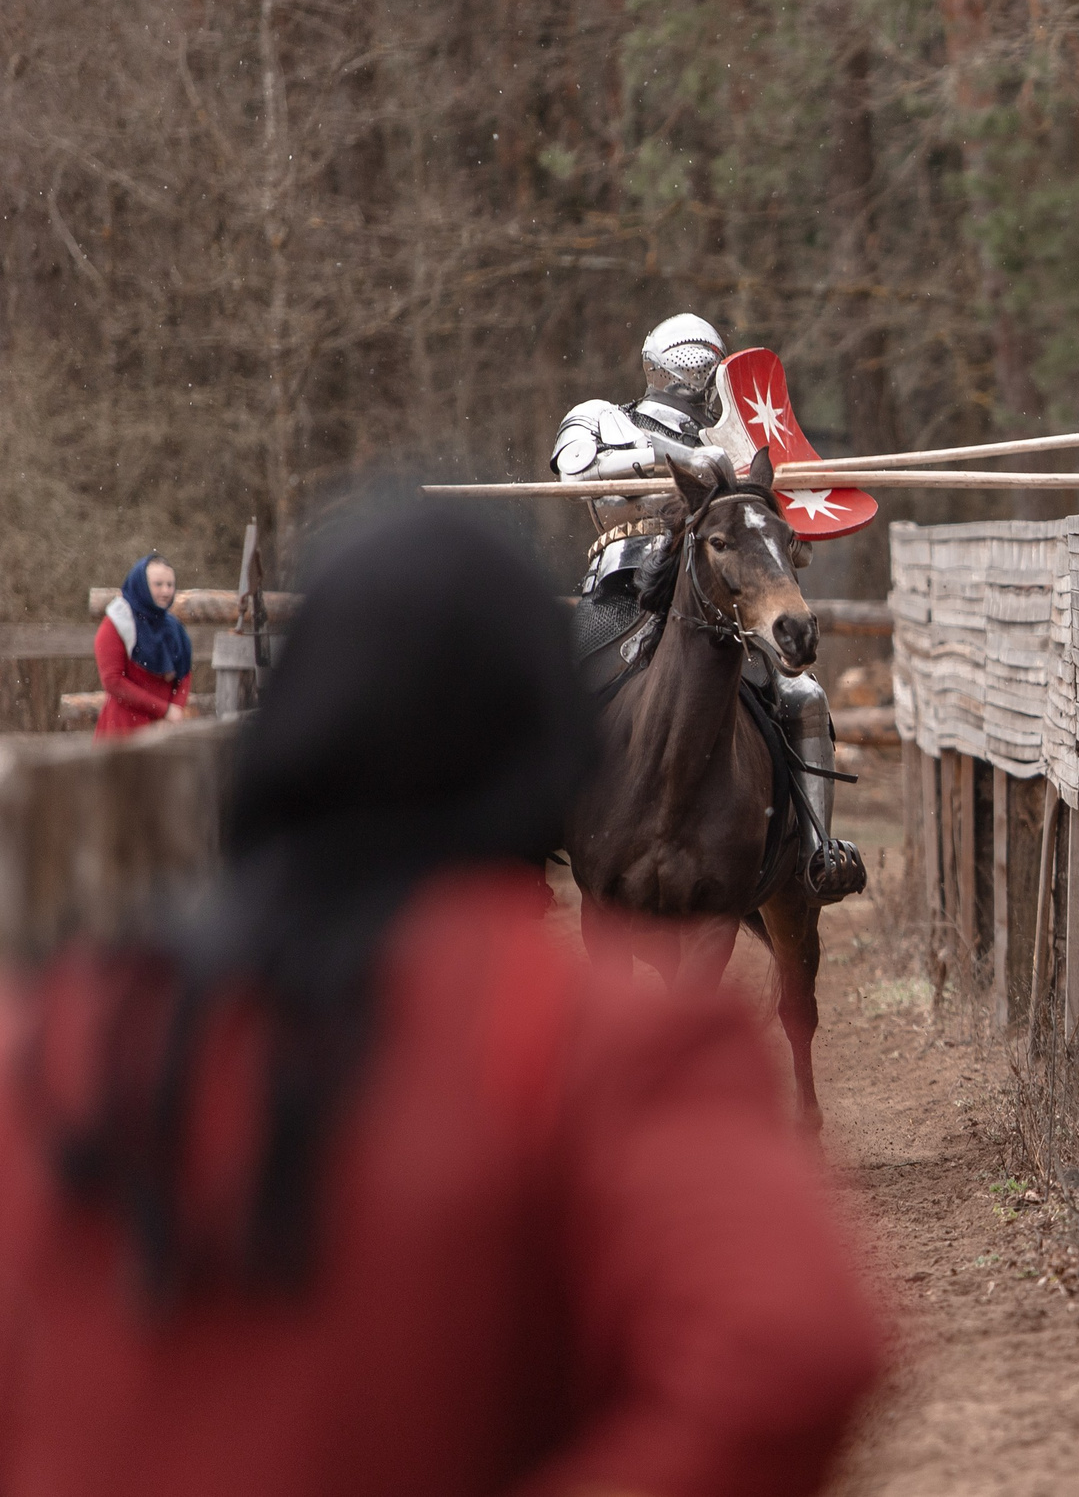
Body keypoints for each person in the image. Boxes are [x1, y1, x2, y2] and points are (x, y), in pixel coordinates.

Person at [0, 507, 887, 1497]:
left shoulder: (61, 1031)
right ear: (537, 747)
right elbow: (798, 1351)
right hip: (626, 615)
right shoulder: (607, 1044)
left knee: (791, 707)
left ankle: (810, 838)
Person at [553, 313, 861, 902]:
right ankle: (516, 850)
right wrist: (679, 459)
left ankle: (818, 849)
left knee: (802, 695)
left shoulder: (739, 441)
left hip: (715, 597)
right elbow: (577, 466)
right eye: (686, 364)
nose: (690, 377)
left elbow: (787, 549)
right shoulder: (602, 418)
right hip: (624, 590)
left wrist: (782, 532)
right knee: (545, 686)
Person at [93, 552, 192, 740]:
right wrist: (164, 709)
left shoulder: (173, 627)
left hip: (164, 731)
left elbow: (184, 673)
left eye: (170, 585)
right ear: (142, 585)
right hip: (124, 729)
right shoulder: (116, 624)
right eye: (158, 584)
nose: (165, 591)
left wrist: (175, 710)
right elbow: (113, 681)